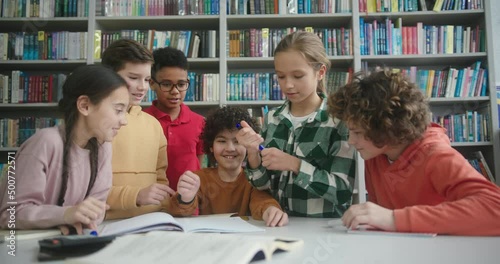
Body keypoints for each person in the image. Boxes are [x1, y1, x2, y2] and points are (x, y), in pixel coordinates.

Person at [327, 69, 500, 236]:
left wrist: (393, 219)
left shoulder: (436, 155)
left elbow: (495, 208)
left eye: (357, 132)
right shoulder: (376, 155)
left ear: (387, 128)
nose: (350, 141)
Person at [235, 31, 356, 218]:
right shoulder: (272, 118)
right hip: (279, 227)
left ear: (320, 72)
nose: (288, 85)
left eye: (298, 76)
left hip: (324, 233)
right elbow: (262, 185)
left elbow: (342, 192)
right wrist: (252, 154)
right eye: (281, 77)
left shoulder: (339, 121)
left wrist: (296, 165)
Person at [0, 65, 129, 234]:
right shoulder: (46, 142)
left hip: (66, 241)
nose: (124, 121)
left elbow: (96, 210)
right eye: (118, 110)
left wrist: (78, 217)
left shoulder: (103, 148)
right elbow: (10, 215)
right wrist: (65, 215)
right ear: (84, 105)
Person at [169, 106, 288, 227]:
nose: (230, 148)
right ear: (211, 146)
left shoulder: (254, 180)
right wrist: (185, 198)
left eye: (237, 141)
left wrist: (270, 210)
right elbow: (180, 211)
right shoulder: (198, 179)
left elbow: (262, 201)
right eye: (221, 141)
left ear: (247, 146)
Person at [101, 39, 177, 220]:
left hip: (151, 221)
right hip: (107, 222)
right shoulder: (96, 123)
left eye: (147, 80)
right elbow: (82, 190)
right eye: (133, 78)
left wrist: (165, 207)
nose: (142, 87)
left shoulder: (153, 125)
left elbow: (161, 179)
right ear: (109, 76)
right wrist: (135, 195)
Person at [144, 47, 205, 192]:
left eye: (181, 84)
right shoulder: (142, 121)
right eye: (166, 84)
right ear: (152, 83)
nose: (175, 91)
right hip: (151, 200)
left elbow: (200, 163)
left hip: (189, 200)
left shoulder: (200, 122)